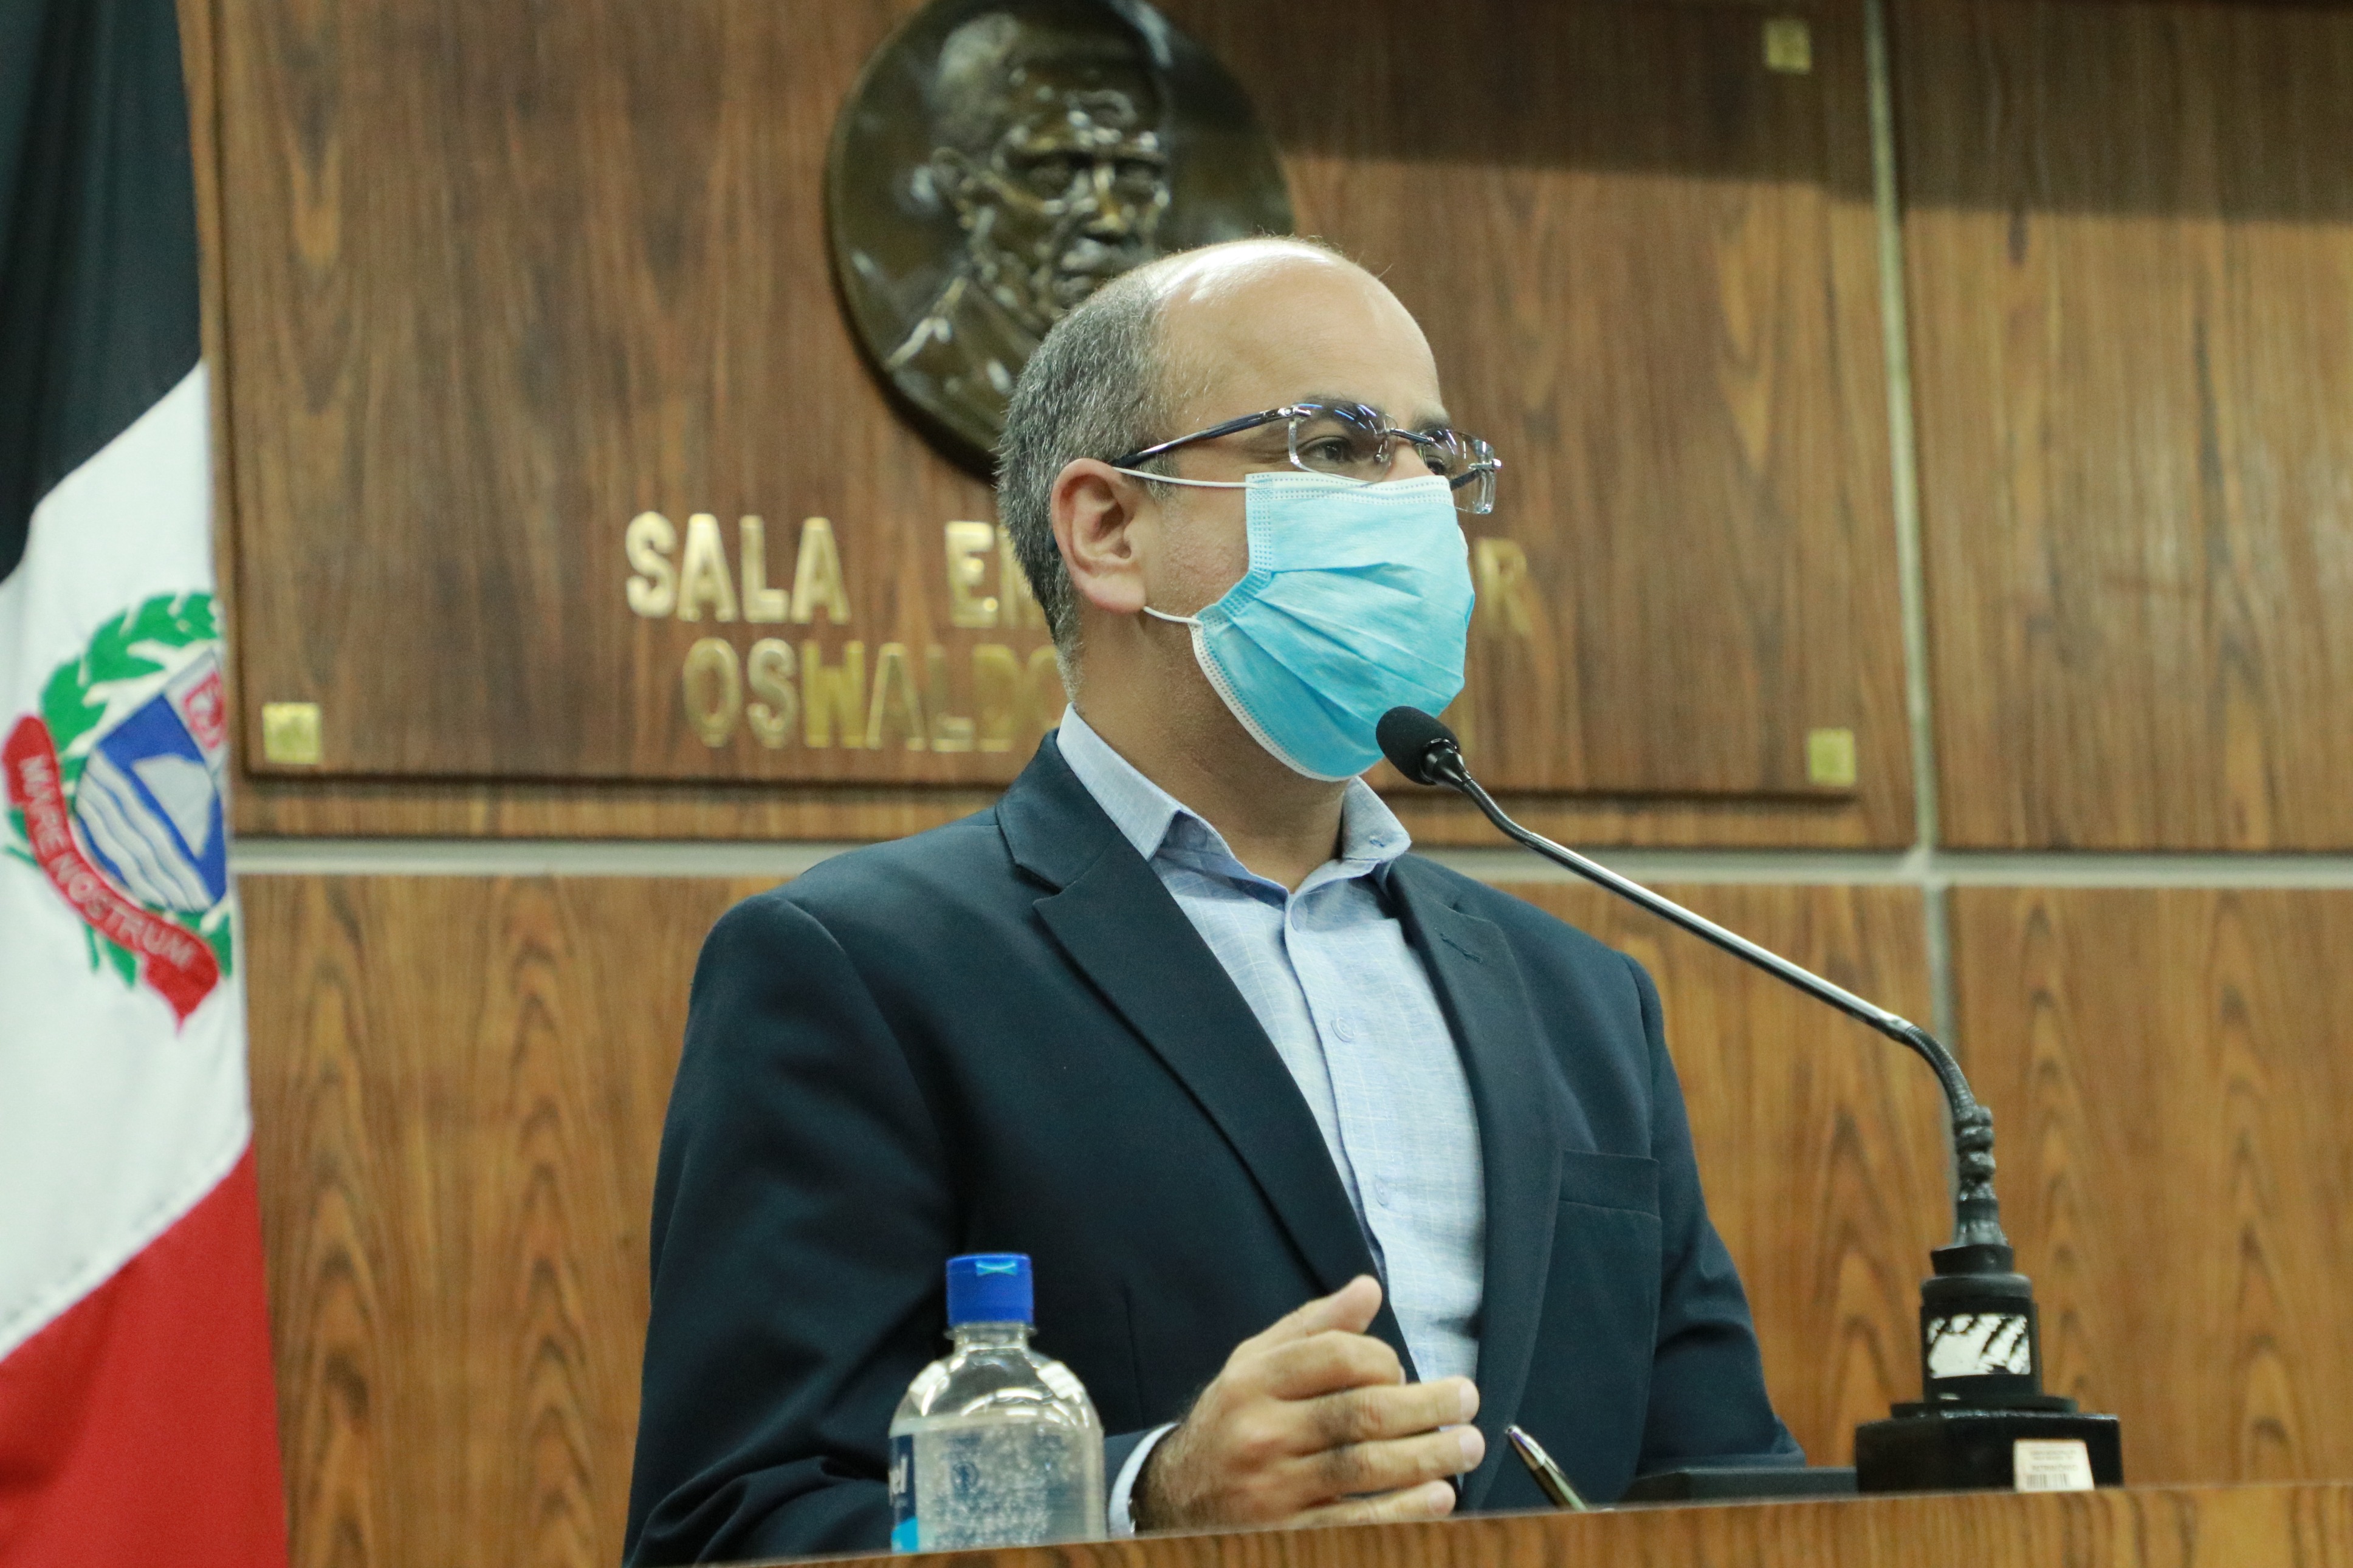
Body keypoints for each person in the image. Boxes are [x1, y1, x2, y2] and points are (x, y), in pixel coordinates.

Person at [624, 237, 1799, 1566]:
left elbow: (1730, 1487)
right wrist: (1147, 1501)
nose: (1416, 501)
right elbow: (733, 1527)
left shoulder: (1581, 998)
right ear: (1108, 530)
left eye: (1436, 456)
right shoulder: (858, 968)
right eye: (1336, 444)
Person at [885, 7, 1171, 428]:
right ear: (964, 185)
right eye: (1056, 174)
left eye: (1135, 176)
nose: (1111, 219)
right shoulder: (938, 373)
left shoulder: (1184, 390)